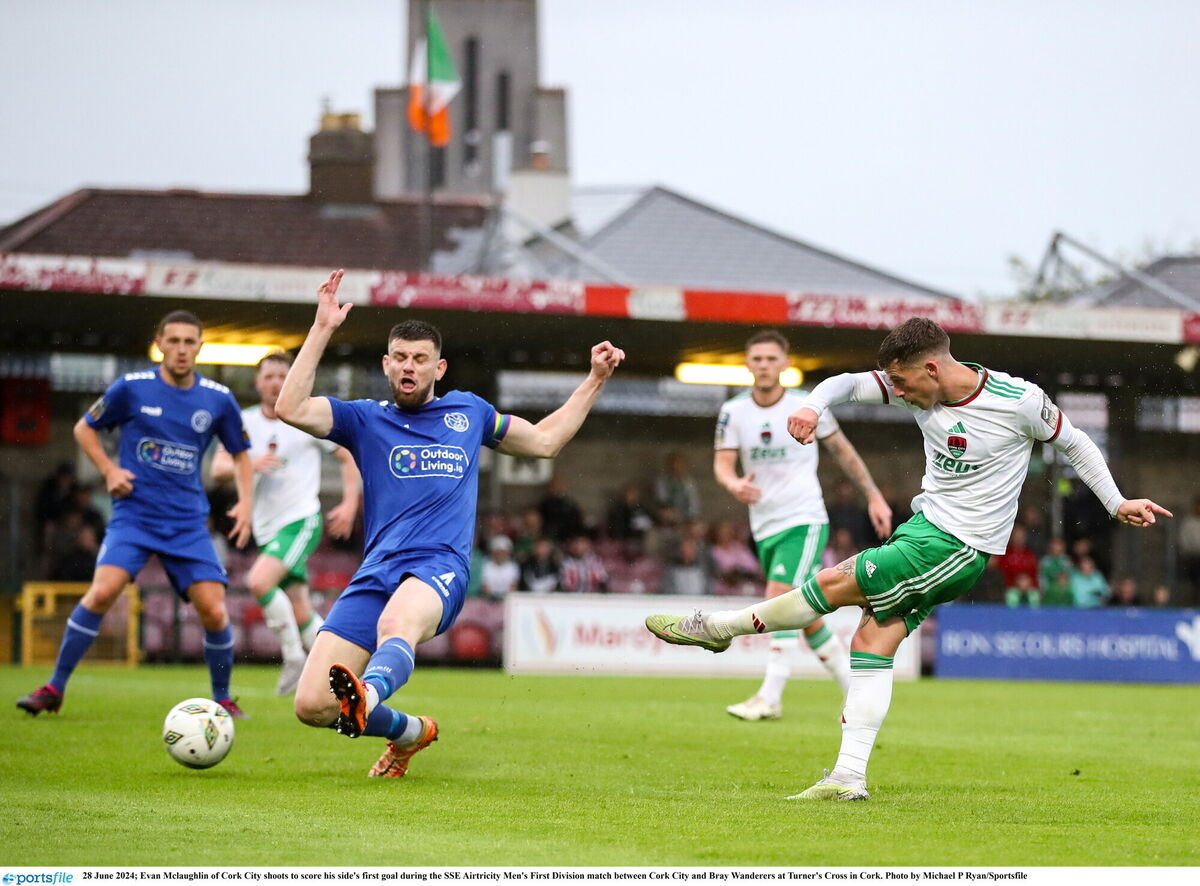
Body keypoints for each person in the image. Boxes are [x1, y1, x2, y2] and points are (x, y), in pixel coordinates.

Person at [646, 317, 1170, 801]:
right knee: (872, 640)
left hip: (957, 545)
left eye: (901, 383)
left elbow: (1076, 443)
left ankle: (718, 627)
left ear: (932, 368)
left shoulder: (1019, 401)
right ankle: (849, 776)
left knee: (832, 583)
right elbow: (847, 383)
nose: (895, 393)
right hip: (923, 529)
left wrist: (1116, 501)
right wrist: (812, 406)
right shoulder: (915, 391)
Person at [280, 269, 623, 778]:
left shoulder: (469, 413)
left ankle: (368, 695)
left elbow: (546, 441)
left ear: (438, 367)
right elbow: (289, 407)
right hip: (377, 572)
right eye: (400, 358)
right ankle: (412, 733)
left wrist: (594, 381)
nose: (408, 367)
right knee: (311, 705)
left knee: (397, 625)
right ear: (386, 364)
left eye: (420, 359)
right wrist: (323, 327)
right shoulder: (363, 418)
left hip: (439, 568)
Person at [17, 310, 253, 717]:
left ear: (200, 346)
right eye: (173, 341)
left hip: (186, 523)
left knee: (214, 610)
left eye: (189, 342)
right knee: (103, 592)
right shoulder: (131, 388)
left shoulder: (217, 398)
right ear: (159, 343)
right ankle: (53, 688)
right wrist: (109, 470)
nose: (181, 349)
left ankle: (223, 698)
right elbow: (83, 428)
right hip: (135, 518)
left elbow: (241, 454)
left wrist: (246, 502)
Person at [713, 329, 892, 722]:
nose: (764, 365)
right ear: (747, 364)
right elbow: (723, 464)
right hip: (764, 527)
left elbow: (843, 452)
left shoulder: (806, 407)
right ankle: (854, 693)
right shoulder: (734, 411)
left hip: (804, 519)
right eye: (757, 359)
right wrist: (733, 483)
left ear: (784, 364)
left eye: (771, 359)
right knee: (805, 617)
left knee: (777, 595)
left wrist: (874, 495)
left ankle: (770, 696)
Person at [210, 351, 361, 696]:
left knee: (259, 581)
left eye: (283, 375)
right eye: (270, 376)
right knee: (299, 606)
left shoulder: (303, 417)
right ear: (257, 382)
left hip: (301, 519)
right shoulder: (244, 421)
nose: (276, 382)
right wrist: (249, 460)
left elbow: (347, 456)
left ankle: (294, 657)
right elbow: (217, 469)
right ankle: (341, 675)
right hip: (266, 527)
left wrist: (351, 502)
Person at [480, 535, 520, 599]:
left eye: (503, 552)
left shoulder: (513, 567)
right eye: (497, 552)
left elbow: (513, 587)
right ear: (493, 552)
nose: (500, 555)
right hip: (488, 601)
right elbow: (485, 587)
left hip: (507, 600)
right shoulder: (486, 565)